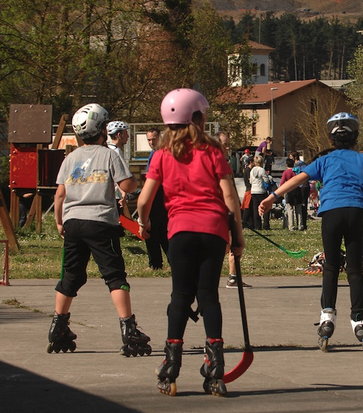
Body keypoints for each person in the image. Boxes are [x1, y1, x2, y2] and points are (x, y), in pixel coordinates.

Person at [136, 88, 245, 397]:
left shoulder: (161, 155)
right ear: (196, 117)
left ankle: (170, 369)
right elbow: (230, 198)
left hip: (180, 232)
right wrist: (237, 236)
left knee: (180, 296)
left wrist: (145, 224)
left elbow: (145, 200)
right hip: (213, 231)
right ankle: (214, 371)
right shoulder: (212, 152)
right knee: (209, 296)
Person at [259, 112, 363, 354]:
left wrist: (272, 197)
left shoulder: (324, 160)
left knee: (332, 266)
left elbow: (297, 180)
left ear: (331, 138)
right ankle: (360, 322)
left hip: (332, 213)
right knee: (355, 268)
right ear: (355, 136)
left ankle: (327, 318)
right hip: (355, 212)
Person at [48, 103, 151, 357]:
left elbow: (60, 194)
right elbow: (127, 185)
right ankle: (129, 329)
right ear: (104, 129)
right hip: (101, 223)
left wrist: (60, 222)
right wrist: (134, 181)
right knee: (114, 276)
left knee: (71, 275)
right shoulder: (109, 155)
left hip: (73, 224)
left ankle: (58, 326)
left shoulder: (70, 158)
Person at [213, 130, 251, 289]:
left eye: (229, 144)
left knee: (232, 245)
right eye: (225, 144)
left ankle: (233, 276)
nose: (228, 147)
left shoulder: (224, 162)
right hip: (221, 211)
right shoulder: (216, 162)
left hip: (229, 208)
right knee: (227, 245)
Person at [144, 127, 169, 270]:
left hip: (159, 195)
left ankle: (155, 263)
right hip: (156, 195)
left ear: (160, 137)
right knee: (159, 232)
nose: (151, 142)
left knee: (153, 230)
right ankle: (158, 262)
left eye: (153, 139)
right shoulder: (153, 153)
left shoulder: (161, 153)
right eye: (149, 139)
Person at [107, 121, 131, 217]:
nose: (128, 136)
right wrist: (123, 192)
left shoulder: (107, 149)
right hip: (115, 196)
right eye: (126, 133)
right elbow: (119, 175)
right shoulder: (116, 152)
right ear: (119, 135)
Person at [249, 155, 272, 230]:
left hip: (253, 191)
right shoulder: (262, 170)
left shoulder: (252, 170)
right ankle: (266, 225)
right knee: (265, 207)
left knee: (256, 209)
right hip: (261, 190)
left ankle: (257, 226)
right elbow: (266, 180)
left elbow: (250, 181)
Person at [280, 158, 303, 231]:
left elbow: (282, 183)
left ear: (286, 165)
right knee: (298, 209)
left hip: (289, 191)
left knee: (290, 209)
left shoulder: (286, 172)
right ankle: (300, 225)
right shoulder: (297, 171)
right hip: (297, 190)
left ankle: (291, 226)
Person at [289, 150, 310, 230]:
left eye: (291, 156)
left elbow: (305, 176)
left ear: (295, 157)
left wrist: (303, 186)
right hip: (297, 187)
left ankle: (303, 224)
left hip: (303, 187)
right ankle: (299, 223)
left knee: (303, 205)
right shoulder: (293, 165)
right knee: (298, 206)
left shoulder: (301, 164)